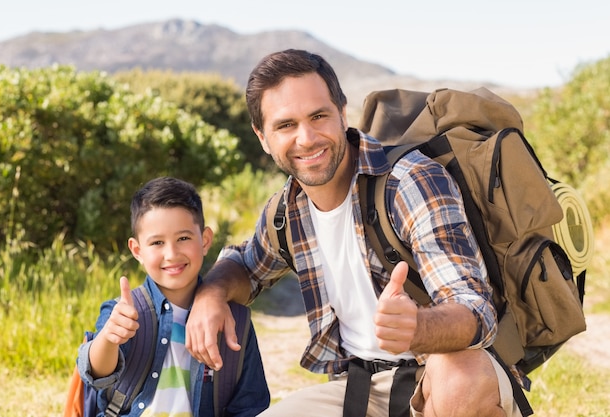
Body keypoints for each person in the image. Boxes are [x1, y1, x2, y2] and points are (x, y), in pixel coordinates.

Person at [185, 49, 523, 417]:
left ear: (342, 114)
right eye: (285, 125)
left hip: (442, 374)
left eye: (318, 116)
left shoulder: (409, 182)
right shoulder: (286, 212)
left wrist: (418, 326)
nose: (306, 138)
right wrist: (211, 293)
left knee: (459, 377)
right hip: (358, 390)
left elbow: (476, 310)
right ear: (263, 137)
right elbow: (246, 266)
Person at [77, 176, 270, 417]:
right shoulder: (123, 312)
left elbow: (249, 406)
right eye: (157, 242)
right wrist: (109, 338)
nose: (171, 254)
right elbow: (96, 374)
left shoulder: (236, 322)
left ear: (205, 240)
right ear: (137, 250)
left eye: (183, 238)